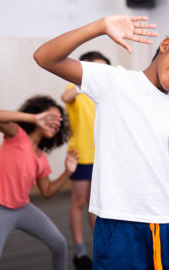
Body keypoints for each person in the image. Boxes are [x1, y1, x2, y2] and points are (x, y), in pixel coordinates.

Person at [34, 15, 169, 269]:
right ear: (165, 45)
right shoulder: (114, 81)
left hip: (166, 222)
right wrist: (99, 27)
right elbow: (45, 57)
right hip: (117, 222)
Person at [0, 95, 78, 270]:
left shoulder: (41, 158)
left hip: (23, 209)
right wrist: (34, 118)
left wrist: (68, 171)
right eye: (51, 117)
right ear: (39, 114)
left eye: (59, 122)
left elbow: (47, 191)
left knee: (59, 244)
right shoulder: (16, 135)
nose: (56, 123)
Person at [61, 51, 110, 269]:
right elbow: (65, 98)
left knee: (95, 205)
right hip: (81, 154)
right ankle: (80, 251)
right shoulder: (75, 89)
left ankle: (101, 247)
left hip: (102, 155)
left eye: (105, 68)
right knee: (78, 202)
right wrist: (84, 81)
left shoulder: (107, 92)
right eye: (97, 67)